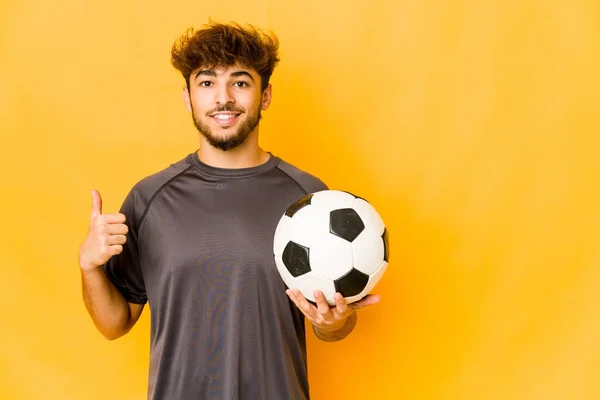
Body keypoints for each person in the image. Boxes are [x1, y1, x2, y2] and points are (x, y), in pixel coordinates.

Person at [78, 21, 380, 400]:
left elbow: (331, 327)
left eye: (240, 82)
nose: (223, 99)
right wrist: (89, 267)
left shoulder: (311, 201)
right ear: (188, 97)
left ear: (265, 95)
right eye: (206, 83)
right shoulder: (149, 198)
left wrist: (335, 322)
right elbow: (113, 324)